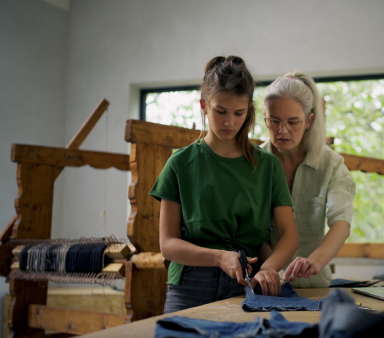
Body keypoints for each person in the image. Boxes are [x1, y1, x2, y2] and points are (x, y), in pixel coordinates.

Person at [150, 56, 299, 313]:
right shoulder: (179, 163)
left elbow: (290, 235)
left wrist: (269, 268)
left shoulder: (268, 166)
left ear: (249, 110)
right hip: (189, 284)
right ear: (204, 105)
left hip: (250, 283)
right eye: (221, 111)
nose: (229, 122)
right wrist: (219, 257)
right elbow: (168, 244)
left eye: (239, 113)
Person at [260, 71, 356, 288]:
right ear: (264, 116)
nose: (282, 130)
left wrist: (314, 261)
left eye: (293, 122)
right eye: (274, 121)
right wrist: (273, 270)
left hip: (315, 286)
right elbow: (251, 230)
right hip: (266, 286)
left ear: (308, 121)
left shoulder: (331, 165)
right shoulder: (253, 164)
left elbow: (341, 222)